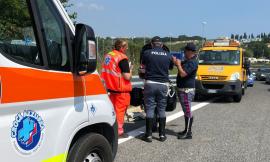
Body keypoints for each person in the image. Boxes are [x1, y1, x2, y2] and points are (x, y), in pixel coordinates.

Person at [141, 36, 174, 142]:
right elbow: (170, 68)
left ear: (151, 44)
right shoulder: (168, 55)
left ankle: (149, 135)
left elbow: (142, 68)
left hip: (150, 83)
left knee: (150, 108)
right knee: (161, 109)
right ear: (162, 45)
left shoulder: (147, 53)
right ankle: (162, 135)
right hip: (163, 84)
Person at [101, 39, 132, 138]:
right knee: (120, 111)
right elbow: (127, 77)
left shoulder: (108, 55)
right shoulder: (122, 58)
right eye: (126, 47)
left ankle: (110, 129)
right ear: (121, 48)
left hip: (110, 87)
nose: (127, 49)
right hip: (121, 89)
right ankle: (119, 131)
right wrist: (130, 69)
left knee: (113, 110)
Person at [173, 42, 198, 139]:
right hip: (183, 90)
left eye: (185, 50)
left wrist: (178, 65)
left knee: (187, 111)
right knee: (186, 111)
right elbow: (181, 65)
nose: (184, 52)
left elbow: (183, 74)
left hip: (186, 91)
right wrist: (177, 63)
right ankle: (186, 130)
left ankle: (188, 133)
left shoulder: (192, 62)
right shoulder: (188, 61)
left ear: (190, 52)